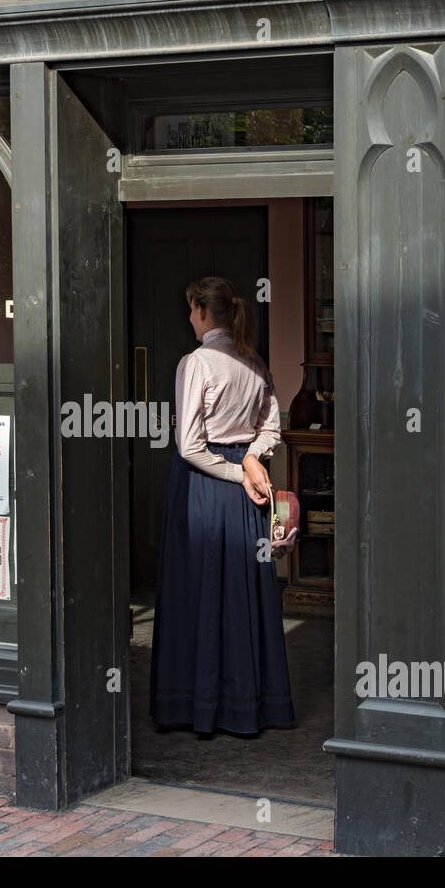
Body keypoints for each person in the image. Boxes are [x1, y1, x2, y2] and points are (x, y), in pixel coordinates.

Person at [150, 276, 296, 734]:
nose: (189, 318)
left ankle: (194, 706)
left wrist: (238, 470)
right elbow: (272, 424)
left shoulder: (197, 362)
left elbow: (190, 446)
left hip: (204, 483)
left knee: (196, 587)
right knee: (242, 590)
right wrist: (252, 459)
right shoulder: (252, 359)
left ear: (201, 311)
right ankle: (249, 705)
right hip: (243, 484)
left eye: (191, 310)